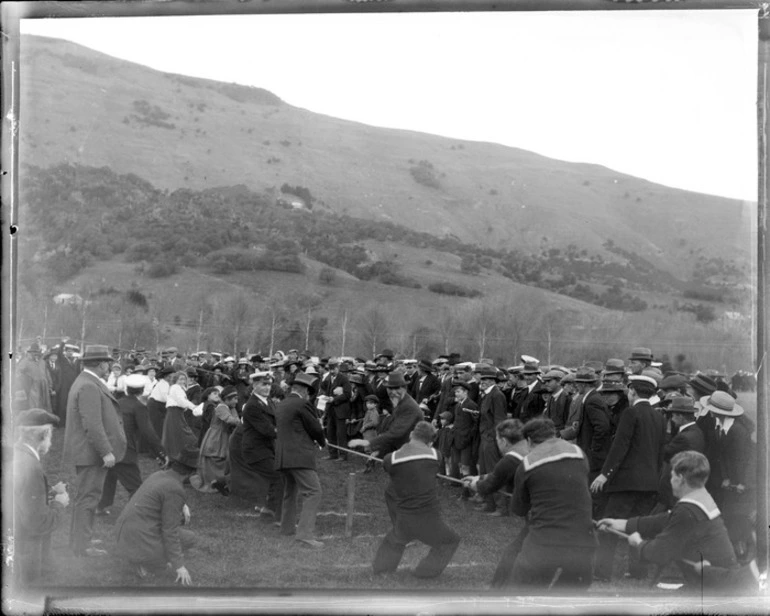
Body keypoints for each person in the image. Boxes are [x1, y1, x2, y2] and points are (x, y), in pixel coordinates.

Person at [597, 450, 752, 594]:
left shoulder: (687, 511)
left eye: (671, 476)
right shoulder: (700, 498)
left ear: (681, 479)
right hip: (715, 582)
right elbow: (665, 520)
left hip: (715, 589)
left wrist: (638, 543)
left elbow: (659, 553)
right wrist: (622, 524)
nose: (670, 480)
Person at [590, 374, 667, 581]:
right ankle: (638, 571)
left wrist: (604, 475)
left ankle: (602, 572)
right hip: (649, 484)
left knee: (610, 527)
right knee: (639, 528)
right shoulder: (659, 417)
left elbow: (619, 447)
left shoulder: (630, 413)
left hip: (625, 484)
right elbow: (660, 454)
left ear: (632, 391)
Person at [509, 417, 597, 589]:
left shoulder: (528, 463)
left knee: (523, 593)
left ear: (528, 440)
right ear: (554, 434)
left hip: (545, 542)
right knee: (568, 601)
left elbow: (518, 509)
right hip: (583, 543)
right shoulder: (579, 453)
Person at [372, 421, 460, 578]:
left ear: (411, 435)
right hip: (429, 516)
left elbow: (389, 467)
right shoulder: (435, 455)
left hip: (405, 515)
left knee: (396, 539)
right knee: (450, 541)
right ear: (430, 441)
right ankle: (425, 572)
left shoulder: (390, 459)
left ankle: (382, 570)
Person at [62, 344, 127, 557]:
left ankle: (81, 539)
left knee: (85, 499)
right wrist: (106, 451)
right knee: (88, 500)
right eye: (108, 362)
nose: (109, 365)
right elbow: (92, 424)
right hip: (91, 455)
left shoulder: (86, 381)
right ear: (100, 364)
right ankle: (82, 545)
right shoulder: (89, 385)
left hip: (88, 454)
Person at [463, 419, 529, 586]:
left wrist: (475, 484)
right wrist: (479, 477)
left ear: (504, 441)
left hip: (542, 514)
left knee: (514, 552)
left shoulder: (512, 458)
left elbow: (488, 486)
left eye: (497, 440)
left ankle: (498, 590)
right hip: (554, 509)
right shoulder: (527, 448)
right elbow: (498, 474)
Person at [115, 455, 197, 585]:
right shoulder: (175, 488)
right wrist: (179, 566)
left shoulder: (159, 475)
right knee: (185, 541)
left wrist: (182, 505)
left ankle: (141, 556)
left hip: (124, 533)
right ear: (191, 473)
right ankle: (145, 562)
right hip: (140, 537)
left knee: (189, 538)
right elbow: (170, 531)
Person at [11, 409, 70, 585]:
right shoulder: (31, 466)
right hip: (24, 553)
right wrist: (60, 504)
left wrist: (46, 492)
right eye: (50, 434)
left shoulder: (16, 454)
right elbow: (37, 523)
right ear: (44, 434)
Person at [95, 374, 167, 516]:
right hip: (125, 451)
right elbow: (148, 432)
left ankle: (101, 506)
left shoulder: (116, 402)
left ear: (127, 389)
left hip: (109, 448)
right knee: (135, 486)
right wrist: (162, 453)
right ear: (142, 391)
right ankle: (137, 514)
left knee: (109, 478)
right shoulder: (138, 407)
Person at [274, 372, 327, 549]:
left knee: (290, 492)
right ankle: (304, 535)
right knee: (313, 492)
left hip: (283, 456)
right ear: (304, 390)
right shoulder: (303, 403)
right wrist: (322, 441)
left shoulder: (281, 404)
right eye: (309, 392)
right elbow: (315, 428)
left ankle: (286, 528)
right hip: (299, 456)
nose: (309, 395)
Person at [230, 371, 284, 518]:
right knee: (278, 476)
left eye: (269, 384)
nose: (267, 388)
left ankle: (269, 508)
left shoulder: (268, 401)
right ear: (254, 385)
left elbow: (276, 422)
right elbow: (267, 430)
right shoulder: (252, 405)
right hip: (255, 450)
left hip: (266, 448)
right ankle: (276, 513)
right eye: (263, 384)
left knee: (277, 476)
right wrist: (289, 433)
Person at [348, 372, 423, 460]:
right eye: (390, 389)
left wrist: (367, 442)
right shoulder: (399, 402)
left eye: (397, 388)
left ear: (404, 388)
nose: (393, 392)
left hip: (413, 453)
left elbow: (395, 433)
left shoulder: (408, 406)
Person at [474, 364, 508, 514]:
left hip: (492, 440)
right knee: (485, 471)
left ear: (494, 380)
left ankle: (501, 507)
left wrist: (497, 441)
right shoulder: (487, 394)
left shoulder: (497, 395)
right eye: (483, 378)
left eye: (488, 379)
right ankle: (489, 504)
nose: (484, 381)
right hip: (484, 438)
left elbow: (500, 422)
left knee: (494, 472)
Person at [195, 385, 240, 491]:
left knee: (223, 458)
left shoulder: (230, 407)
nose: (236, 401)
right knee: (215, 457)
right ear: (227, 399)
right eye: (234, 399)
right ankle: (213, 481)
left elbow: (235, 418)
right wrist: (244, 422)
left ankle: (221, 481)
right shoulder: (221, 407)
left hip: (223, 435)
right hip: (217, 436)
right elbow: (230, 420)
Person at [161, 371, 200, 467]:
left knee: (176, 435)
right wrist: (194, 407)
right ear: (176, 380)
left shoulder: (180, 388)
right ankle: (176, 456)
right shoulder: (175, 387)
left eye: (184, 379)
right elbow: (181, 401)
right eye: (180, 379)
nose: (182, 381)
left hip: (177, 413)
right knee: (182, 434)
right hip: (175, 413)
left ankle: (176, 456)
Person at [321, 359, 352, 461]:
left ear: (337, 368)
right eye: (330, 369)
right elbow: (324, 388)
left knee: (340, 434)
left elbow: (348, 395)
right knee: (330, 432)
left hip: (340, 410)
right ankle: (332, 454)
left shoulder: (344, 379)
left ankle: (343, 455)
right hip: (331, 410)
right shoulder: (329, 378)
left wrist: (334, 399)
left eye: (333, 369)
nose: (331, 371)